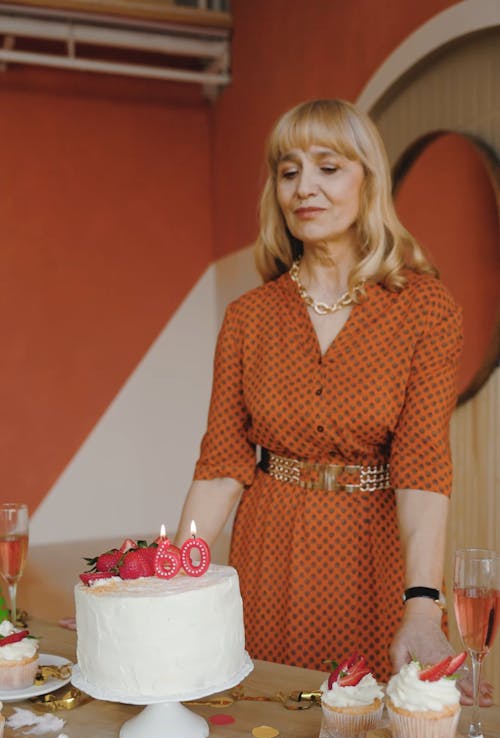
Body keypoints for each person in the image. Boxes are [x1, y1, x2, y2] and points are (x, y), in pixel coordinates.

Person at [175, 99, 492, 703]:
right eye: (288, 171)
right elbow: (220, 468)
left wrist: (423, 608)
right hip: (268, 547)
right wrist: (165, 577)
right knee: (265, 720)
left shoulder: (426, 309)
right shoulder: (248, 317)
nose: (304, 188)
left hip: (372, 555)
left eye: (328, 167)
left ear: (368, 181)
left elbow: (423, 468)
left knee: (368, 728)